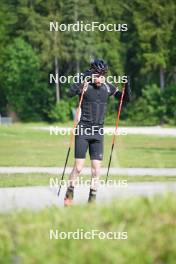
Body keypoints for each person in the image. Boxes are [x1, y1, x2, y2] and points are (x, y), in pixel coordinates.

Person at [64, 59, 131, 206]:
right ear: (92, 73)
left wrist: (128, 84)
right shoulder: (85, 85)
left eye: (103, 75)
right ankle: (69, 195)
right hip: (83, 130)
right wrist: (82, 76)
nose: (100, 78)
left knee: (96, 171)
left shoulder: (107, 87)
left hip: (98, 133)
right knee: (79, 167)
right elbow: (69, 93)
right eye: (97, 75)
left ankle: (91, 202)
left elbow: (126, 99)